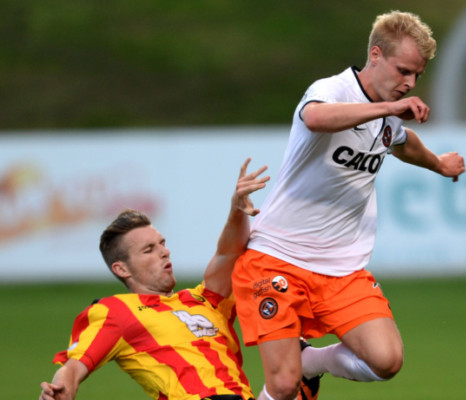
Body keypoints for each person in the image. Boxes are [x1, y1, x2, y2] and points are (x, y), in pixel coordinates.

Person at [231, 10, 466, 400]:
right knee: (284, 387)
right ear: (376, 54)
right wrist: (388, 110)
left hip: (341, 269)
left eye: (417, 76)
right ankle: (294, 374)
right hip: (277, 258)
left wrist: (439, 163)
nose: (409, 83)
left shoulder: (388, 115)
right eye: (403, 70)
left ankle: (313, 362)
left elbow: (403, 142)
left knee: (386, 360)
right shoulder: (333, 89)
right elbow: (317, 118)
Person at [39, 159, 319, 400]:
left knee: (303, 369)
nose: (164, 252)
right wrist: (63, 387)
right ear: (122, 269)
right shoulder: (116, 312)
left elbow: (229, 252)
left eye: (162, 243)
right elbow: (76, 363)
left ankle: (313, 366)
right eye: (149, 250)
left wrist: (236, 209)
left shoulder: (205, 300)